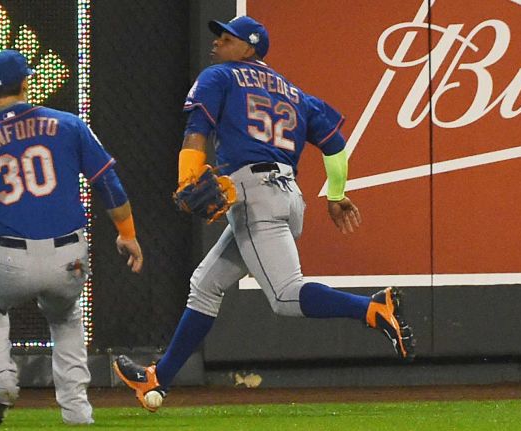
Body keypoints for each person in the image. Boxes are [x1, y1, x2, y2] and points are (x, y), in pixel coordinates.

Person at [113, 16, 415, 412]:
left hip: (255, 196)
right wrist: (336, 192)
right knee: (205, 285)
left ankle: (374, 309)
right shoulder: (296, 94)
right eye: (219, 38)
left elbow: (197, 130)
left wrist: (188, 177)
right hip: (288, 198)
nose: (217, 44)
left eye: (228, 38)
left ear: (250, 48)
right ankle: (159, 378)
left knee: (286, 296)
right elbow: (336, 145)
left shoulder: (220, 77)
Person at [0, 49, 143, 425]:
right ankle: (77, 409)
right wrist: (127, 234)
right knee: (66, 316)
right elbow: (107, 183)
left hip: (10, 260)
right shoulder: (69, 125)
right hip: (69, 257)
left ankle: (1, 382)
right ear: (27, 82)